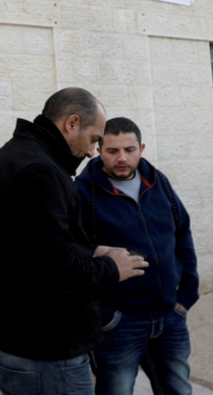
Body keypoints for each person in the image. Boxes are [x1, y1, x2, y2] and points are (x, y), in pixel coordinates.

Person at [0, 87, 149, 394]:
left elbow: (33, 249)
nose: (91, 152)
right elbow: (58, 273)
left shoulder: (21, 154)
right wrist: (112, 268)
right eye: (95, 139)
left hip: (21, 340)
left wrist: (92, 250)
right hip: (44, 349)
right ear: (71, 124)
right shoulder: (39, 170)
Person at [75, 117, 198, 395]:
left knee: (178, 390)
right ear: (99, 150)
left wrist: (187, 295)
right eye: (112, 150)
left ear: (141, 148)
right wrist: (105, 316)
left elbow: (182, 234)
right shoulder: (83, 193)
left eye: (129, 150)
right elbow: (74, 256)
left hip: (170, 316)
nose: (122, 158)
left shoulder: (158, 182)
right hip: (119, 323)